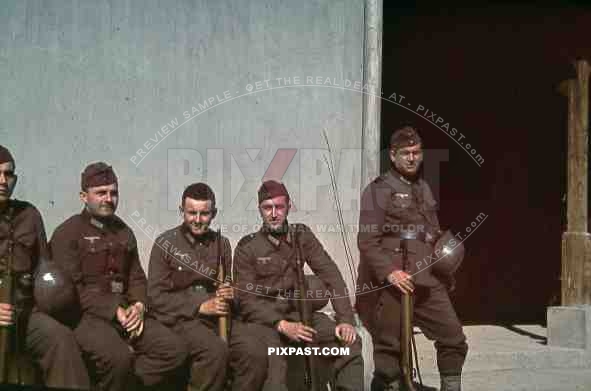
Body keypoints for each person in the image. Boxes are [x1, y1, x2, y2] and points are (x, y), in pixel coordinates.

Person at [50, 162, 187, 391]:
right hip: (86, 316)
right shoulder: (68, 233)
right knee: (118, 358)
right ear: (84, 196)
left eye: (113, 193)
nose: (108, 198)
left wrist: (140, 306)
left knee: (174, 350)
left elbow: (136, 278)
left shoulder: (124, 232)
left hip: (127, 316)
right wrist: (114, 310)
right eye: (101, 193)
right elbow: (70, 290)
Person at [356, 125, 468, 391]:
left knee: (453, 338)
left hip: (426, 278)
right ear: (393, 156)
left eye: (416, 152)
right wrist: (389, 273)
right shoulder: (378, 190)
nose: (411, 158)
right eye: (405, 153)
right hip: (394, 281)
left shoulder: (423, 188)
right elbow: (367, 242)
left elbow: (432, 232)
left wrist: (444, 269)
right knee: (390, 352)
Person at [234, 180, 364, 391]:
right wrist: (282, 325)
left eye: (279, 207)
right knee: (276, 368)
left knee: (349, 344)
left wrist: (345, 319)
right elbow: (247, 301)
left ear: (289, 206)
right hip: (266, 323)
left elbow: (331, 275)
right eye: (267, 208)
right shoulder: (247, 248)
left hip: (301, 315)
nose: (274, 214)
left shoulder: (301, 235)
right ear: (260, 210)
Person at [147, 182, 268, 391]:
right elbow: (156, 296)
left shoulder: (223, 244)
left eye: (204, 214)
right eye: (191, 213)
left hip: (219, 318)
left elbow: (230, 286)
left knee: (254, 352)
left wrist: (231, 293)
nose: (197, 220)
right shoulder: (164, 243)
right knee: (214, 352)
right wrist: (200, 306)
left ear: (214, 213)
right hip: (181, 319)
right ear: (181, 211)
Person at [0, 144, 90, 389]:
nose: (3, 181)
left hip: (26, 316)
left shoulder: (29, 215)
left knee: (61, 339)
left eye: (8, 174)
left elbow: (45, 269)